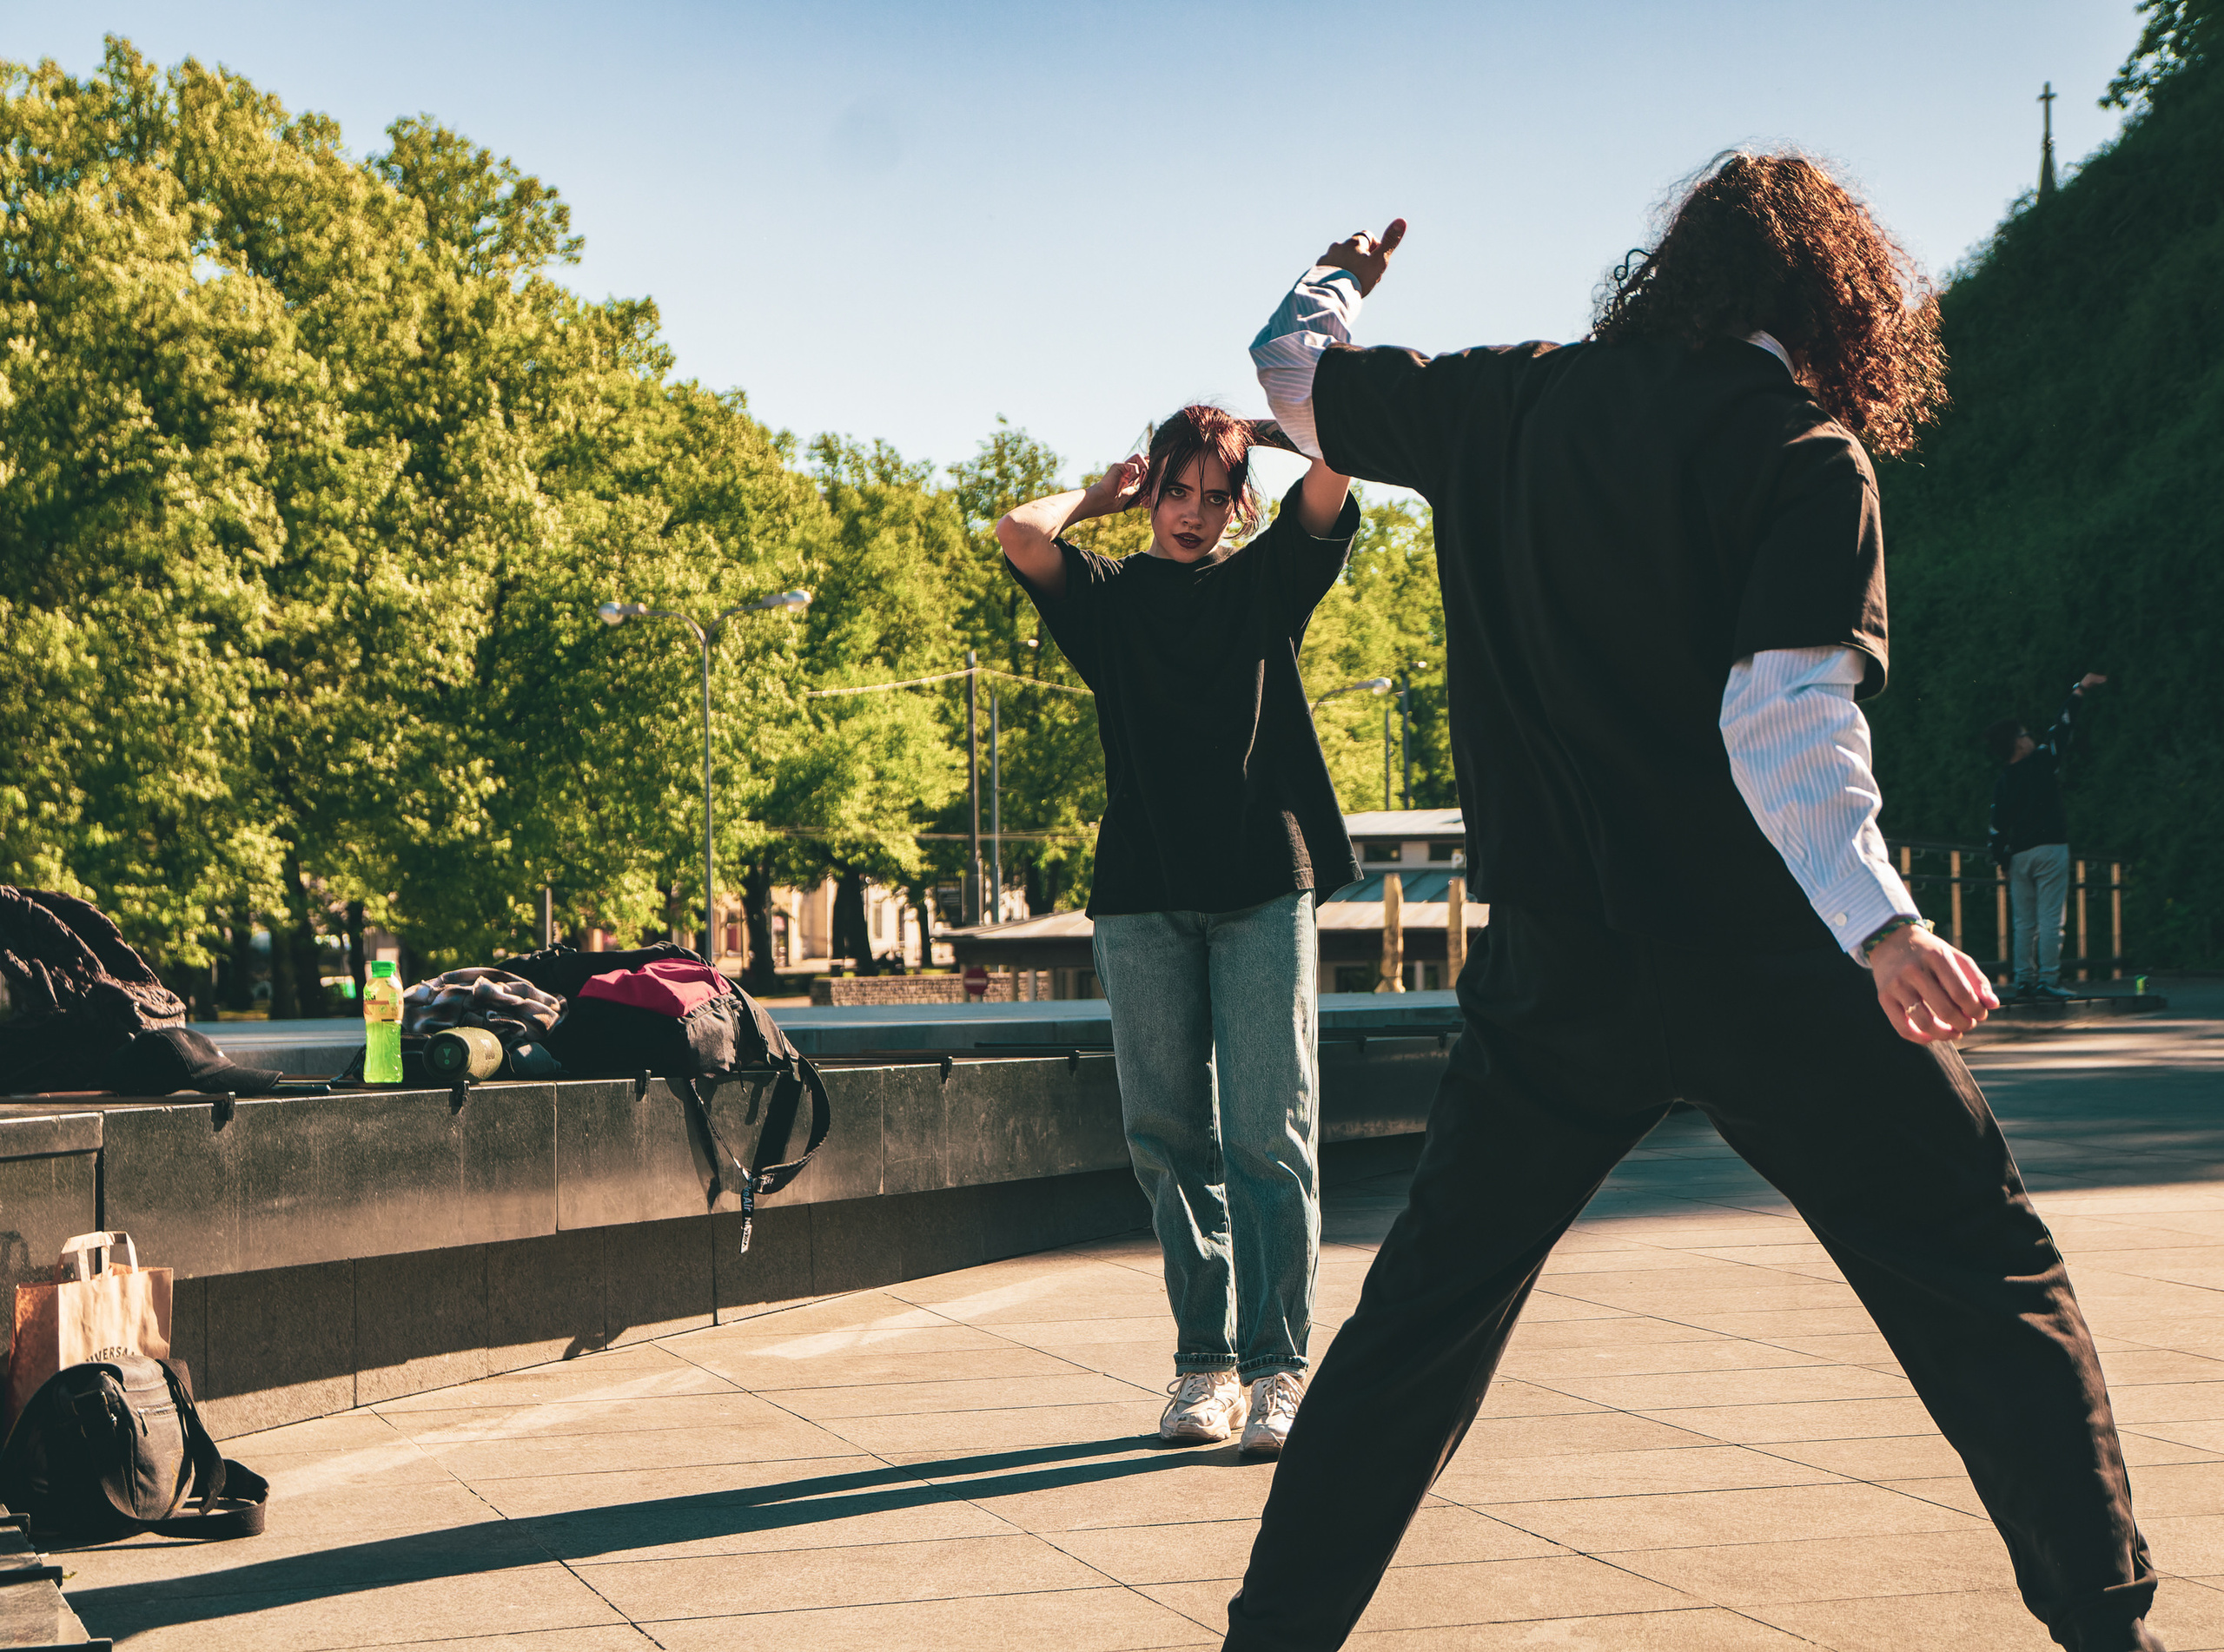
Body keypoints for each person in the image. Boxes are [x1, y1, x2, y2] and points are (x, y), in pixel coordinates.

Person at [1227, 152, 2162, 1652]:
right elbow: (1780, 716)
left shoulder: (1504, 402)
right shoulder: (1799, 448)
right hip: (1767, 965)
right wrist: (1882, 923)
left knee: (1426, 1317)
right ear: (1836, 298)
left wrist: (1341, 278)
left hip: (1558, 969)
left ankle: (1269, 1637)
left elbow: (1291, 375)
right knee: (1980, 1276)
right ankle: (2110, 1631)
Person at [995, 406, 1363, 1457]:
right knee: (1167, 1135)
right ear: (1150, 488)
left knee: (1268, 1136)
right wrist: (1100, 495)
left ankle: (1277, 1370)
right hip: (1143, 894)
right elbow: (1024, 535)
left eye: (1215, 495)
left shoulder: (1264, 582)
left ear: (1239, 503)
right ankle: (1203, 1369)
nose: (1194, 514)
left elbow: (1339, 465)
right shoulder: (1107, 598)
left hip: (1260, 888)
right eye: (1177, 490)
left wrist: (1272, 430)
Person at [1988, 674, 2108, 1001]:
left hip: (2020, 855)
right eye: (2026, 734)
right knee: (2051, 918)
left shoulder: (2004, 781)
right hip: (2052, 847)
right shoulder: (2042, 761)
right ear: (2019, 742)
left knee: (2024, 923)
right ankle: (2049, 980)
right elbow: (2062, 728)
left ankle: (2024, 980)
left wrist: (2002, 859)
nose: (2031, 737)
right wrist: (2078, 692)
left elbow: (1997, 825)